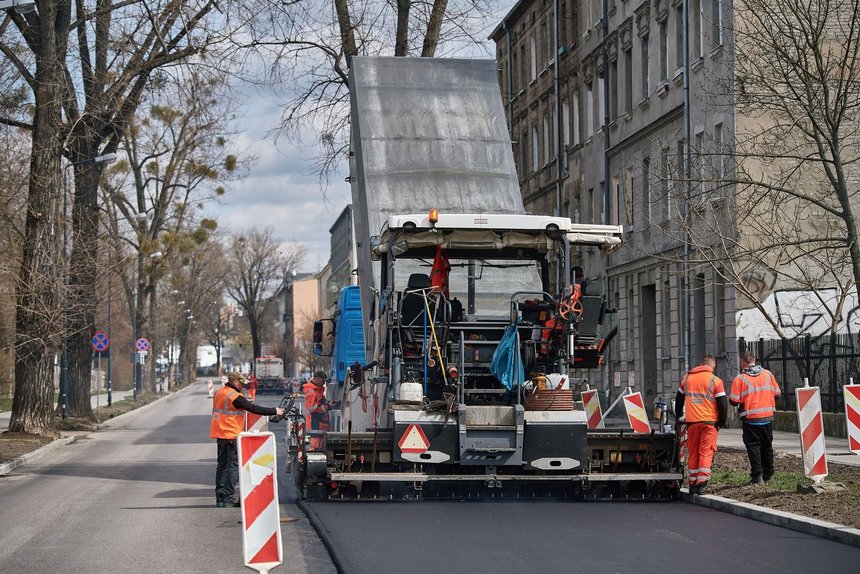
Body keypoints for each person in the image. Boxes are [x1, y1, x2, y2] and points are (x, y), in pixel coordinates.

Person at [210, 371, 284, 507]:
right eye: (242, 383)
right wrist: (275, 411)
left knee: (222, 467)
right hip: (231, 435)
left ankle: (220, 498)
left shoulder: (219, 393)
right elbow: (253, 408)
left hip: (220, 434)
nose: (244, 386)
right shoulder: (235, 397)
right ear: (235, 382)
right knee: (233, 467)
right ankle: (228, 498)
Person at [674, 355, 727, 494]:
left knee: (693, 453)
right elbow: (722, 404)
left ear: (700, 364)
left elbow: (679, 399)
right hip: (709, 422)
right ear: (713, 366)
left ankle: (692, 483)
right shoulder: (716, 380)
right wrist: (721, 422)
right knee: (705, 452)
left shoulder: (687, 378)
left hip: (691, 423)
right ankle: (701, 483)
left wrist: (678, 414)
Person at [730, 351, 781, 485]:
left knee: (753, 448)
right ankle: (769, 473)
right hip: (767, 417)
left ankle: (757, 476)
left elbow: (734, 401)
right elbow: (777, 394)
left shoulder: (740, 379)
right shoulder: (768, 374)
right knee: (767, 446)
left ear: (742, 363)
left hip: (751, 419)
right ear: (754, 360)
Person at [303, 371, 332, 450]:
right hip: (314, 423)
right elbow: (313, 409)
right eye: (323, 380)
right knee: (314, 447)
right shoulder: (312, 393)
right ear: (318, 379)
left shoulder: (316, 391)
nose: (324, 383)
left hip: (316, 423)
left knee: (317, 446)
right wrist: (327, 406)